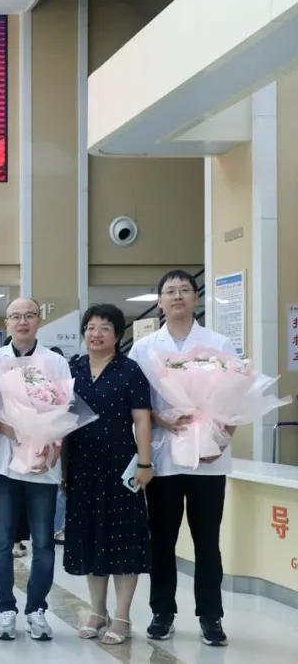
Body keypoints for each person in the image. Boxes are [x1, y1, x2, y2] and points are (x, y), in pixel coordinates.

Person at [129, 270, 234, 647]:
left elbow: (235, 397)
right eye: (170, 291)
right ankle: (162, 612)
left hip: (209, 459)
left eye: (184, 290)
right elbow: (134, 403)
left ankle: (211, 616)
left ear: (195, 298)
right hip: (163, 458)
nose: (177, 296)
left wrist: (221, 440)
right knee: (162, 539)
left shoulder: (218, 343)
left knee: (208, 541)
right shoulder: (144, 348)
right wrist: (160, 418)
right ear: (159, 301)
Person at [64, 304, 153, 646]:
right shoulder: (72, 369)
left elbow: (142, 419)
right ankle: (97, 611)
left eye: (104, 328)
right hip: (81, 466)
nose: (96, 333)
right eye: (90, 327)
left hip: (120, 466)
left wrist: (145, 463)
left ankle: (122, 617)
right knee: (90, 538)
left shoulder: (130, 370)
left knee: (123, 540)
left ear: (117, 335)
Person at [0, 298, 65, 641]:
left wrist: (55, 448)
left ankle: (36, 609)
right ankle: (5, 608)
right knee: (1, 540)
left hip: (43, 466)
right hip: (5, 464)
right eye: (15, 316)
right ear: (7, 323)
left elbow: (66, 411)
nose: (22, 322)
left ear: (38, 321)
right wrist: (15, 431)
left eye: (29, 315)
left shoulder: (55, 361)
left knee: (43, 542)